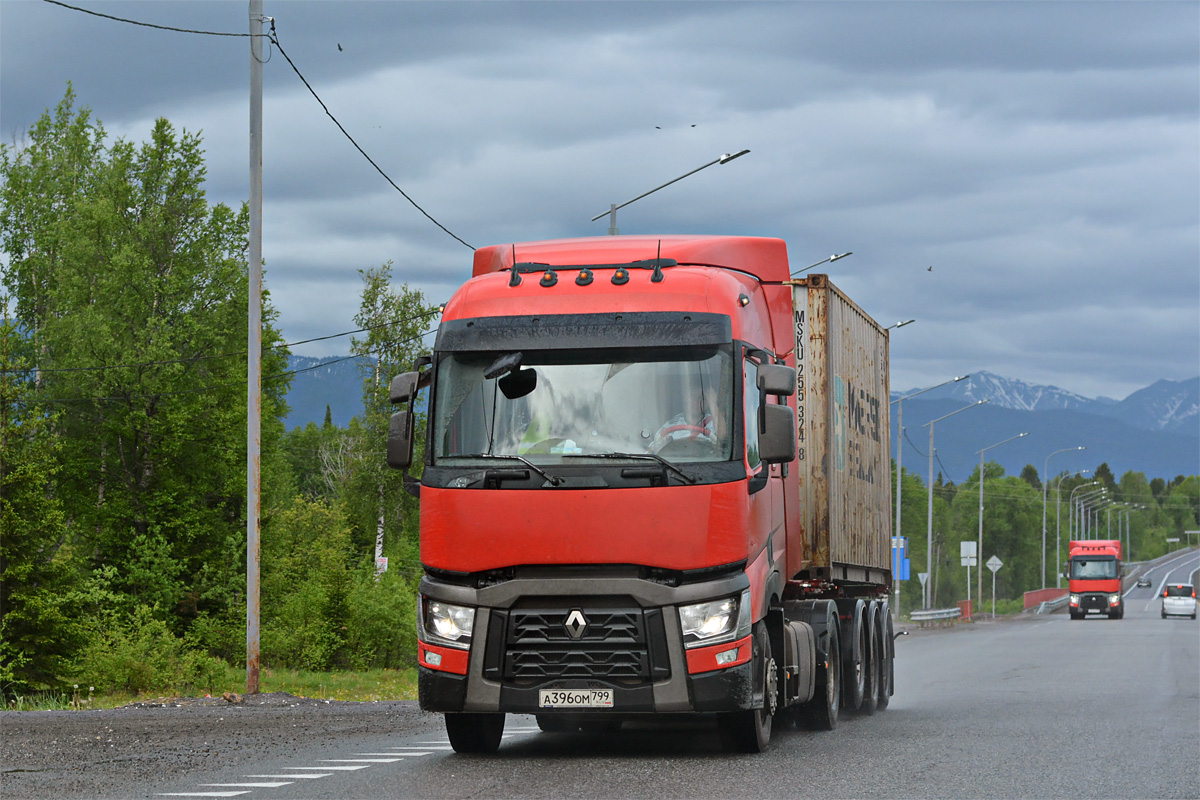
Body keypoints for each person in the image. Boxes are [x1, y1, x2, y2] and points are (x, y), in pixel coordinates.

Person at [649, 384, 722, 454]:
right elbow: (653, 449)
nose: (695, 402)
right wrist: (662, 444)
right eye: (691, 398)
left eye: (701, 398)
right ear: (684, 400)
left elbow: (723, 437)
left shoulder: (714, 422)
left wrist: (713, 405)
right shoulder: (672, 424)